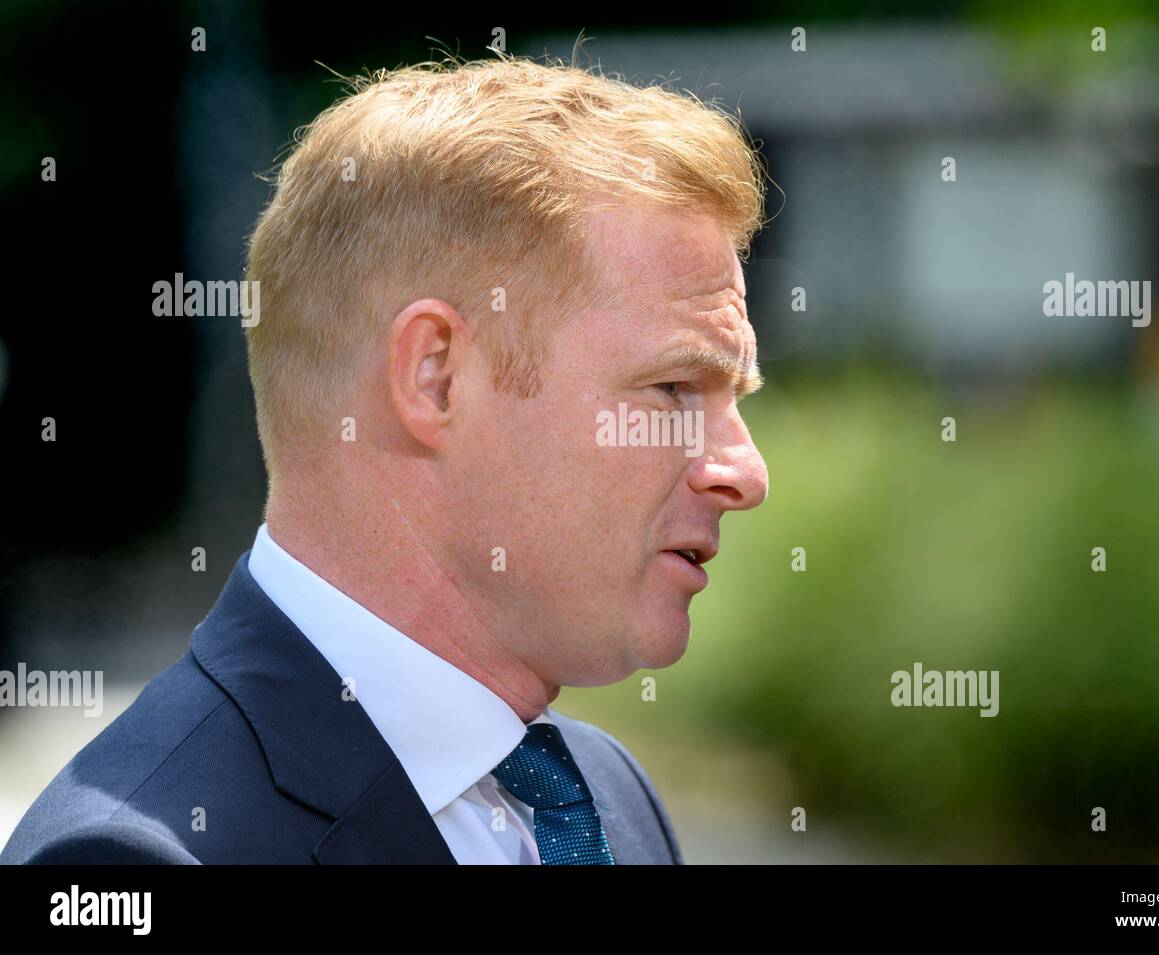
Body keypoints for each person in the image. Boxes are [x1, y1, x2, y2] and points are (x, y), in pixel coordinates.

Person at [1, 52, 770, 865]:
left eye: (735, 400)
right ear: (435, 378)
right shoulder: (133, 858)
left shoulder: (607, 798)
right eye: (674, 387)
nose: (745, 473)